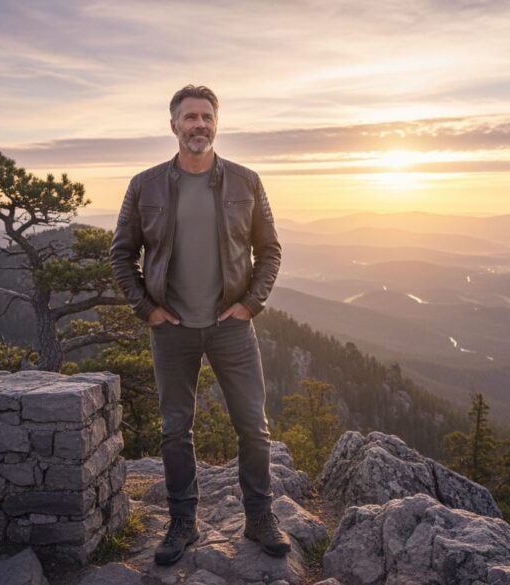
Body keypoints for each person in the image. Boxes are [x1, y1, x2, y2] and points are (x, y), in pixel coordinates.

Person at [109, 84, 288, 565]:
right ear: (173, 125)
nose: (199, 125)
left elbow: (269, 249)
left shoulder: (245, 181)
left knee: (253, 425)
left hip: (232, 323)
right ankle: (182, 523)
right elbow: (121, 255)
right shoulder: (144, 185)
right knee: (175, 429)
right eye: (190, 117)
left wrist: (251, 304)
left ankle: (259, 516)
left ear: (217, 123)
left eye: (207, 117)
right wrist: (148, 310)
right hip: (172, 329)